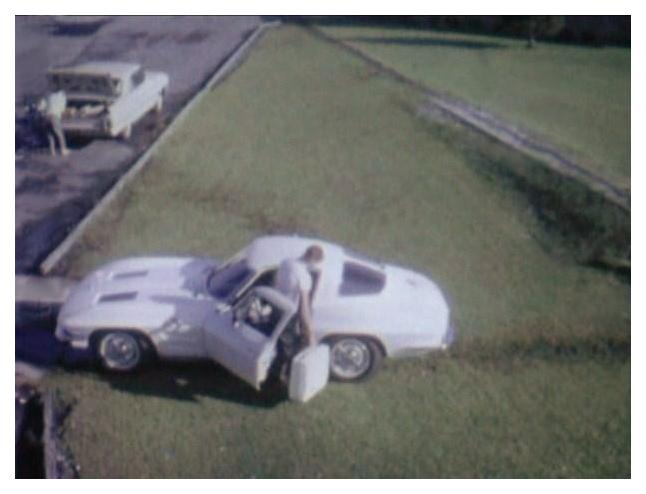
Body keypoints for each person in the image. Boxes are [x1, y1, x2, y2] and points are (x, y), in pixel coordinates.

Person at [274, 245, 324, 347]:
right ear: (314, 261)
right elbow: (304, 310)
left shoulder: (286, 262)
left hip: (274, 305)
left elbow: (275, 281)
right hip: (287, 315)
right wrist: (310, 335)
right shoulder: (304, 277)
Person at [38, 90, 69, 157]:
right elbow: (62, 109)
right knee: (59, 133)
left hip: (46, 116)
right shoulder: (62, 97)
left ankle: (52, 152)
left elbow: (40, 107)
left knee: (50, 134)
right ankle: (63, 150)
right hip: (54, 116)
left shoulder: (47, 96)